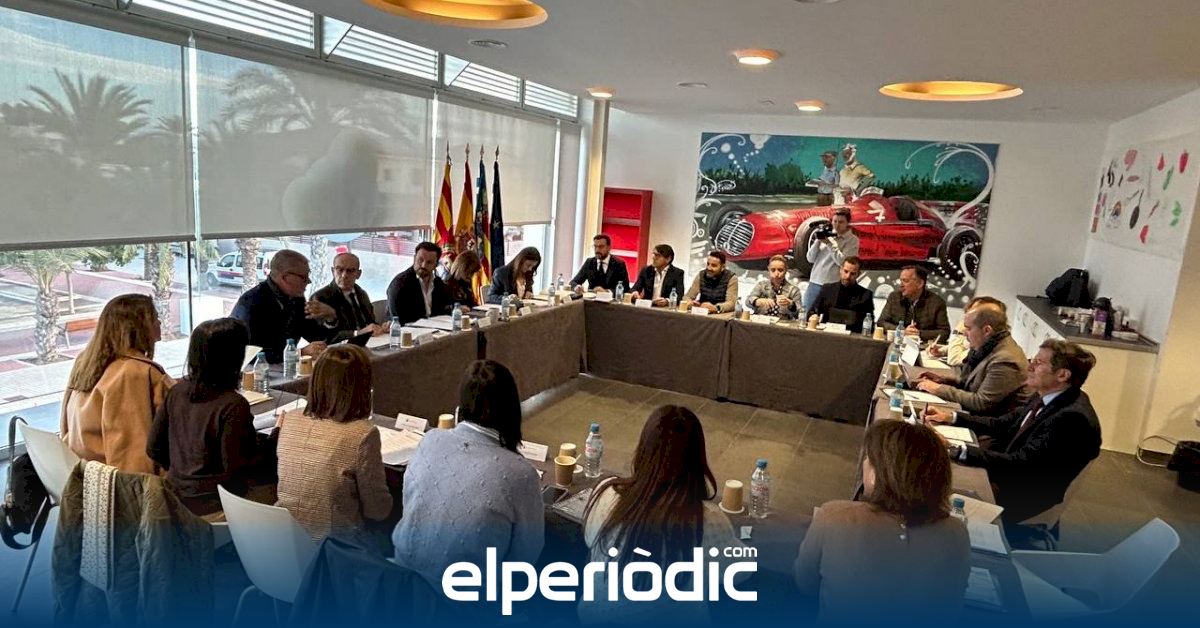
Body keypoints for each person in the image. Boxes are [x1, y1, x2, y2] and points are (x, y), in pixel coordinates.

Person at [578, 405, 744, 624]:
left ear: (643, 450)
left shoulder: (606, 493)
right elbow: (739, 572)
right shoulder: (709, 520)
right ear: (697, 460)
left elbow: (589, 538)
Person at [794, 420, 969, 622]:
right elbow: (953, 606)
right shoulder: (957, 533)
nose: (864, 464)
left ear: (878, 474)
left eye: (868, 458)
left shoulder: (833, 516)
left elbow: (805, 583)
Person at [392, 360, 543, 587]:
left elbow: (409, 504)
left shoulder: (430, 439)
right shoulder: (521, 474)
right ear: (512, 410)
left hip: (399, 582)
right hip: (463, 600)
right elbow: (525, 558)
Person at [924, 340, 1101, 532]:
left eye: (1038, 363)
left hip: (1021, 495)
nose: (1030, 366)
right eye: (1033, 360)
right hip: (1008, 472)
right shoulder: (1048, 394)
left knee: (933, 488)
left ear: (1062, 375)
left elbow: (1019, 464)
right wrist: (952, 417)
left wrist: (954, 449)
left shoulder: (1071, 419)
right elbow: (1002, 423)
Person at [147, 318, 271, 517]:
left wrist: (184, 477)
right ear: (234, 357)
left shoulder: (177, 392)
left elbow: (154, 448)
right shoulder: (232, 404)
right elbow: (237, 470)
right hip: (214, 505)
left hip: (175, 499)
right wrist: (274, 440)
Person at [275, 345, 392, 542]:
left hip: (284, 538)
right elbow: (378, 510)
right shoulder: (362, 434)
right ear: (363, 386)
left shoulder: (290, 419)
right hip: (335, 547)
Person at [59, 294, 173, 474]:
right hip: (116, 481)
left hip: (85, 471)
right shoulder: (134, 373)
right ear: (137, 327)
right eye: (154, 318)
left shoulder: (86, 360)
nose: (159, 322)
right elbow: (133, 456)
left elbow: (65, 427)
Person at [915, 305, 1029, 414]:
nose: (965, 333)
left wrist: (939, 389)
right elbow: (971, 383)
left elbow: (982, 403)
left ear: (987, 330)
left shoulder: (1005, 360)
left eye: (968, 328)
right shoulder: (988, 345)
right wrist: (943, 381)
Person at [231, 249, 335, 363]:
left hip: (286, 367)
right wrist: (300, 352)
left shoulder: (296, 298)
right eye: (303, 277)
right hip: (254, 370)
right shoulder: (251, 303)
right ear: (285, 277)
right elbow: (251, 354)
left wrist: (330, 317)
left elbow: (314, 335)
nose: (308, 281)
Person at [311, 252, 383, 343]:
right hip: (340, 349)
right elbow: (322, 337)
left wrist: (380, 327)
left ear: (358, 274)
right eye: (339, 270)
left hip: (368, 343)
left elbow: (370, 322)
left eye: (350, 271)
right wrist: (358, 333)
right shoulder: (320, 297)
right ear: (333, 271)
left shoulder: (362, 294)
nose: (344, 275)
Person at [803, 207, 860, 312]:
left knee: (827, 316)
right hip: (814, 282)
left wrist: (829, 244)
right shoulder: (826, 235)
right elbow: (810, 259)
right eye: (835, 221)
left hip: (833, 286)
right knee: (806, 313)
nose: (837, 225)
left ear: (848, 223)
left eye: (841, 222)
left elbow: (843, 262)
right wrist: (818, 241)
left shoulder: (852, 240)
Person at [877, 265, 951, 342]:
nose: (901, 285)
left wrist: (918, 333)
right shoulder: (894, 297)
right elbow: (881, 322)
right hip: (896, 342)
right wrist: (902, 331)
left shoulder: (937, 302)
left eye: (905, 281)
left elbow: (945, 332)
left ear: (920, 283)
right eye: (901, 280)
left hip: (922, 346)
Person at [386, 241, 451, 325]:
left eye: (429, 262)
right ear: (414, 258)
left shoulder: (438, 283)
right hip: (409, 330)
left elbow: (442, 309)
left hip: (435, 328)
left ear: (436, 265)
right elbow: (397, 320)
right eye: (420, 260)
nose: (423, 265)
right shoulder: (400, 284)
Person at [929, 296, 1007, 367]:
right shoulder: (986, 338)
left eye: (974, 311)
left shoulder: (987, 346)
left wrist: (957, 333)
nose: (968, 315)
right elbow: (965, 346)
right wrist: (942, 351)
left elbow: (954, 360)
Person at [807, 256, 875, 333]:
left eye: (852, 274)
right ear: (841, 270)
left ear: (858, 274)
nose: (848, 276)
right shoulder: (827, 289)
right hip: (826, 333)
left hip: (852, 336)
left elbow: (870, 324)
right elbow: (812, 312)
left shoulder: (865, 295)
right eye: (846, 271)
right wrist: (813, 317)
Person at [745, 255, 802, 319]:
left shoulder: (794, 290)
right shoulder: (761, 285)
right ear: (768, 270)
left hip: (782, 322)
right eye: (773, 270)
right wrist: (756, 301)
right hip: (761, 320)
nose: (776, 274)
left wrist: (791, 304)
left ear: (786, 270)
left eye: (780, 270)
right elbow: (747, 302)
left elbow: (800, 313)